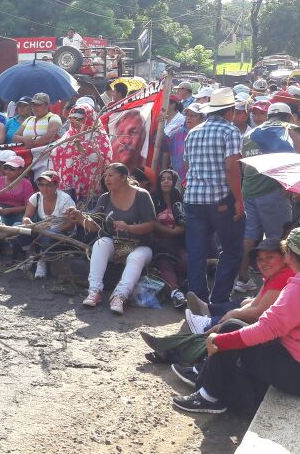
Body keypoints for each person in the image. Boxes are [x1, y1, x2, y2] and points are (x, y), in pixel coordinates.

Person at [172, 228, 300, 415]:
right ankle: (205, 379)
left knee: (230, 329)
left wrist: (219, 342)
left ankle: (208, 396)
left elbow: (267, 329)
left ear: (288, 254)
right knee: (236, 331)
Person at [183, 88, 244, 310]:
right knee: (232, 249)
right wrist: (239, 199)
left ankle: (198, 299)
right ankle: (219, 299)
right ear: (229, 112)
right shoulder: (231, 131)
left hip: (194, 198)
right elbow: (232, 166)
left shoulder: (193, 132)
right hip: (220, 199)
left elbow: (187, 166)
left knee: (197, 252)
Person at [69, 163, 156, 315]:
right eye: (105, 176)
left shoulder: (142, 195)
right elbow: (95, 226)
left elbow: (151, 225)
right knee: (101, 243)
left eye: (110, 175)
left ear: (123, 177)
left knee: (136, 257)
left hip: (139, 245)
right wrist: (79, 218)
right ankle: (95, 291)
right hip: (115, 245)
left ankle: (120, 296)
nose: (106, 179)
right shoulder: (105, 198)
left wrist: (129, 228)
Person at [234, 101, 300, 292]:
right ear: (288, 117)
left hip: (249, 190)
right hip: (272, 192)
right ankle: (278, 284)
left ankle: (242, 278)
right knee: (279, 238)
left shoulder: (250, 133)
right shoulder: (286, 130)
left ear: (269, 115)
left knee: (250, 236)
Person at [50, 105, 112, 205]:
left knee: (88, 213)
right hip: (69, 185)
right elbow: (55, 153)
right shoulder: (68, 135)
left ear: (89, 118)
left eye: (80, 119)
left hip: (90, 187)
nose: (75, 121)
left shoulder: (99, 135)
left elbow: (103, 159)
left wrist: (83, 150)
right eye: (73, 118)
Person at [20, 170, 76, 279]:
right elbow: (26, 217)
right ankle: (31, 255)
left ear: (56, 185)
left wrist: (51, 230)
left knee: (49, 235)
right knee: (19, 228)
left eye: (49, 185)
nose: (44, 188)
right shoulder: (36, 197)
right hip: (42, 228)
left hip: (63, 231)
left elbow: (71, 223)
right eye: (41, 185)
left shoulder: (65, 200)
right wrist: (31, 224)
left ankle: (42, 261)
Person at [151, 169, 187, 308]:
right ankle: (176, 293)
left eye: (169, 179)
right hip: (159, 244)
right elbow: (151, 222)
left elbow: (185, 221)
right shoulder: (154, 199)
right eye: (162, 179)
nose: (166, 181)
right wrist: (169, 231)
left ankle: (183, 284)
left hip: (178, 242)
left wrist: (180, 230)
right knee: (164, 263)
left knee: (185, 261)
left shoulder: (179, 199)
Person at [161, 102, 204, 184]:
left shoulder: (207, 134)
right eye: (187, 115)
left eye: (193, 115)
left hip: (199, 182)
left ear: (202, 118)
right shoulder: (174, 134)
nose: (188, 118)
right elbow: (166, 153)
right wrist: (164, 172)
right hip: (178, 182)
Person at [0, 155, 33, 226]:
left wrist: (10, 210)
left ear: (20, 170)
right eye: (6, 168)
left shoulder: (26, 183)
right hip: (1, 213)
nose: (7, 171)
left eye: (12, 169)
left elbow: (29, 206)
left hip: (18, 215)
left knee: (17, 225)